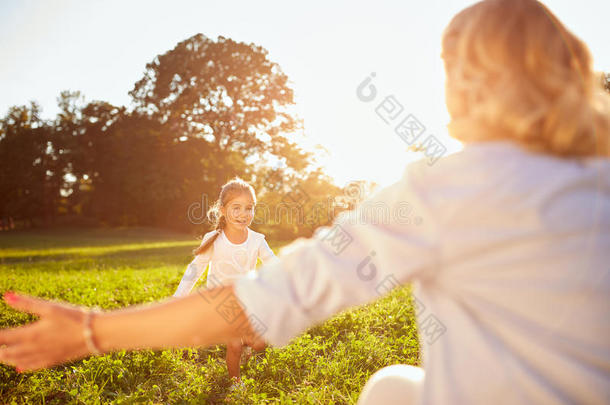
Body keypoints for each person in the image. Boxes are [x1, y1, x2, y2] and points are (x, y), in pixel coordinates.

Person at [1, 0, 609, 403]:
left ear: (474, 78)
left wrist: (91, 331)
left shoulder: (446, 188)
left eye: (448, 67)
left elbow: (255, 305)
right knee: (395, 387)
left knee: (386, 391)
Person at [173, 177, 275, 387]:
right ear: (222, 210)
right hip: (220, 302)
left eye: (249, 208)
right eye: (236, 207)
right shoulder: (214, 239)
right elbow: (195, 270)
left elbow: (274, 263)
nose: (243, 214)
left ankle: (246, 340)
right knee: (234, 346)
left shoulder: (257, 240)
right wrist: (178, 297)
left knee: (259, 343)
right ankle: (235, 383)